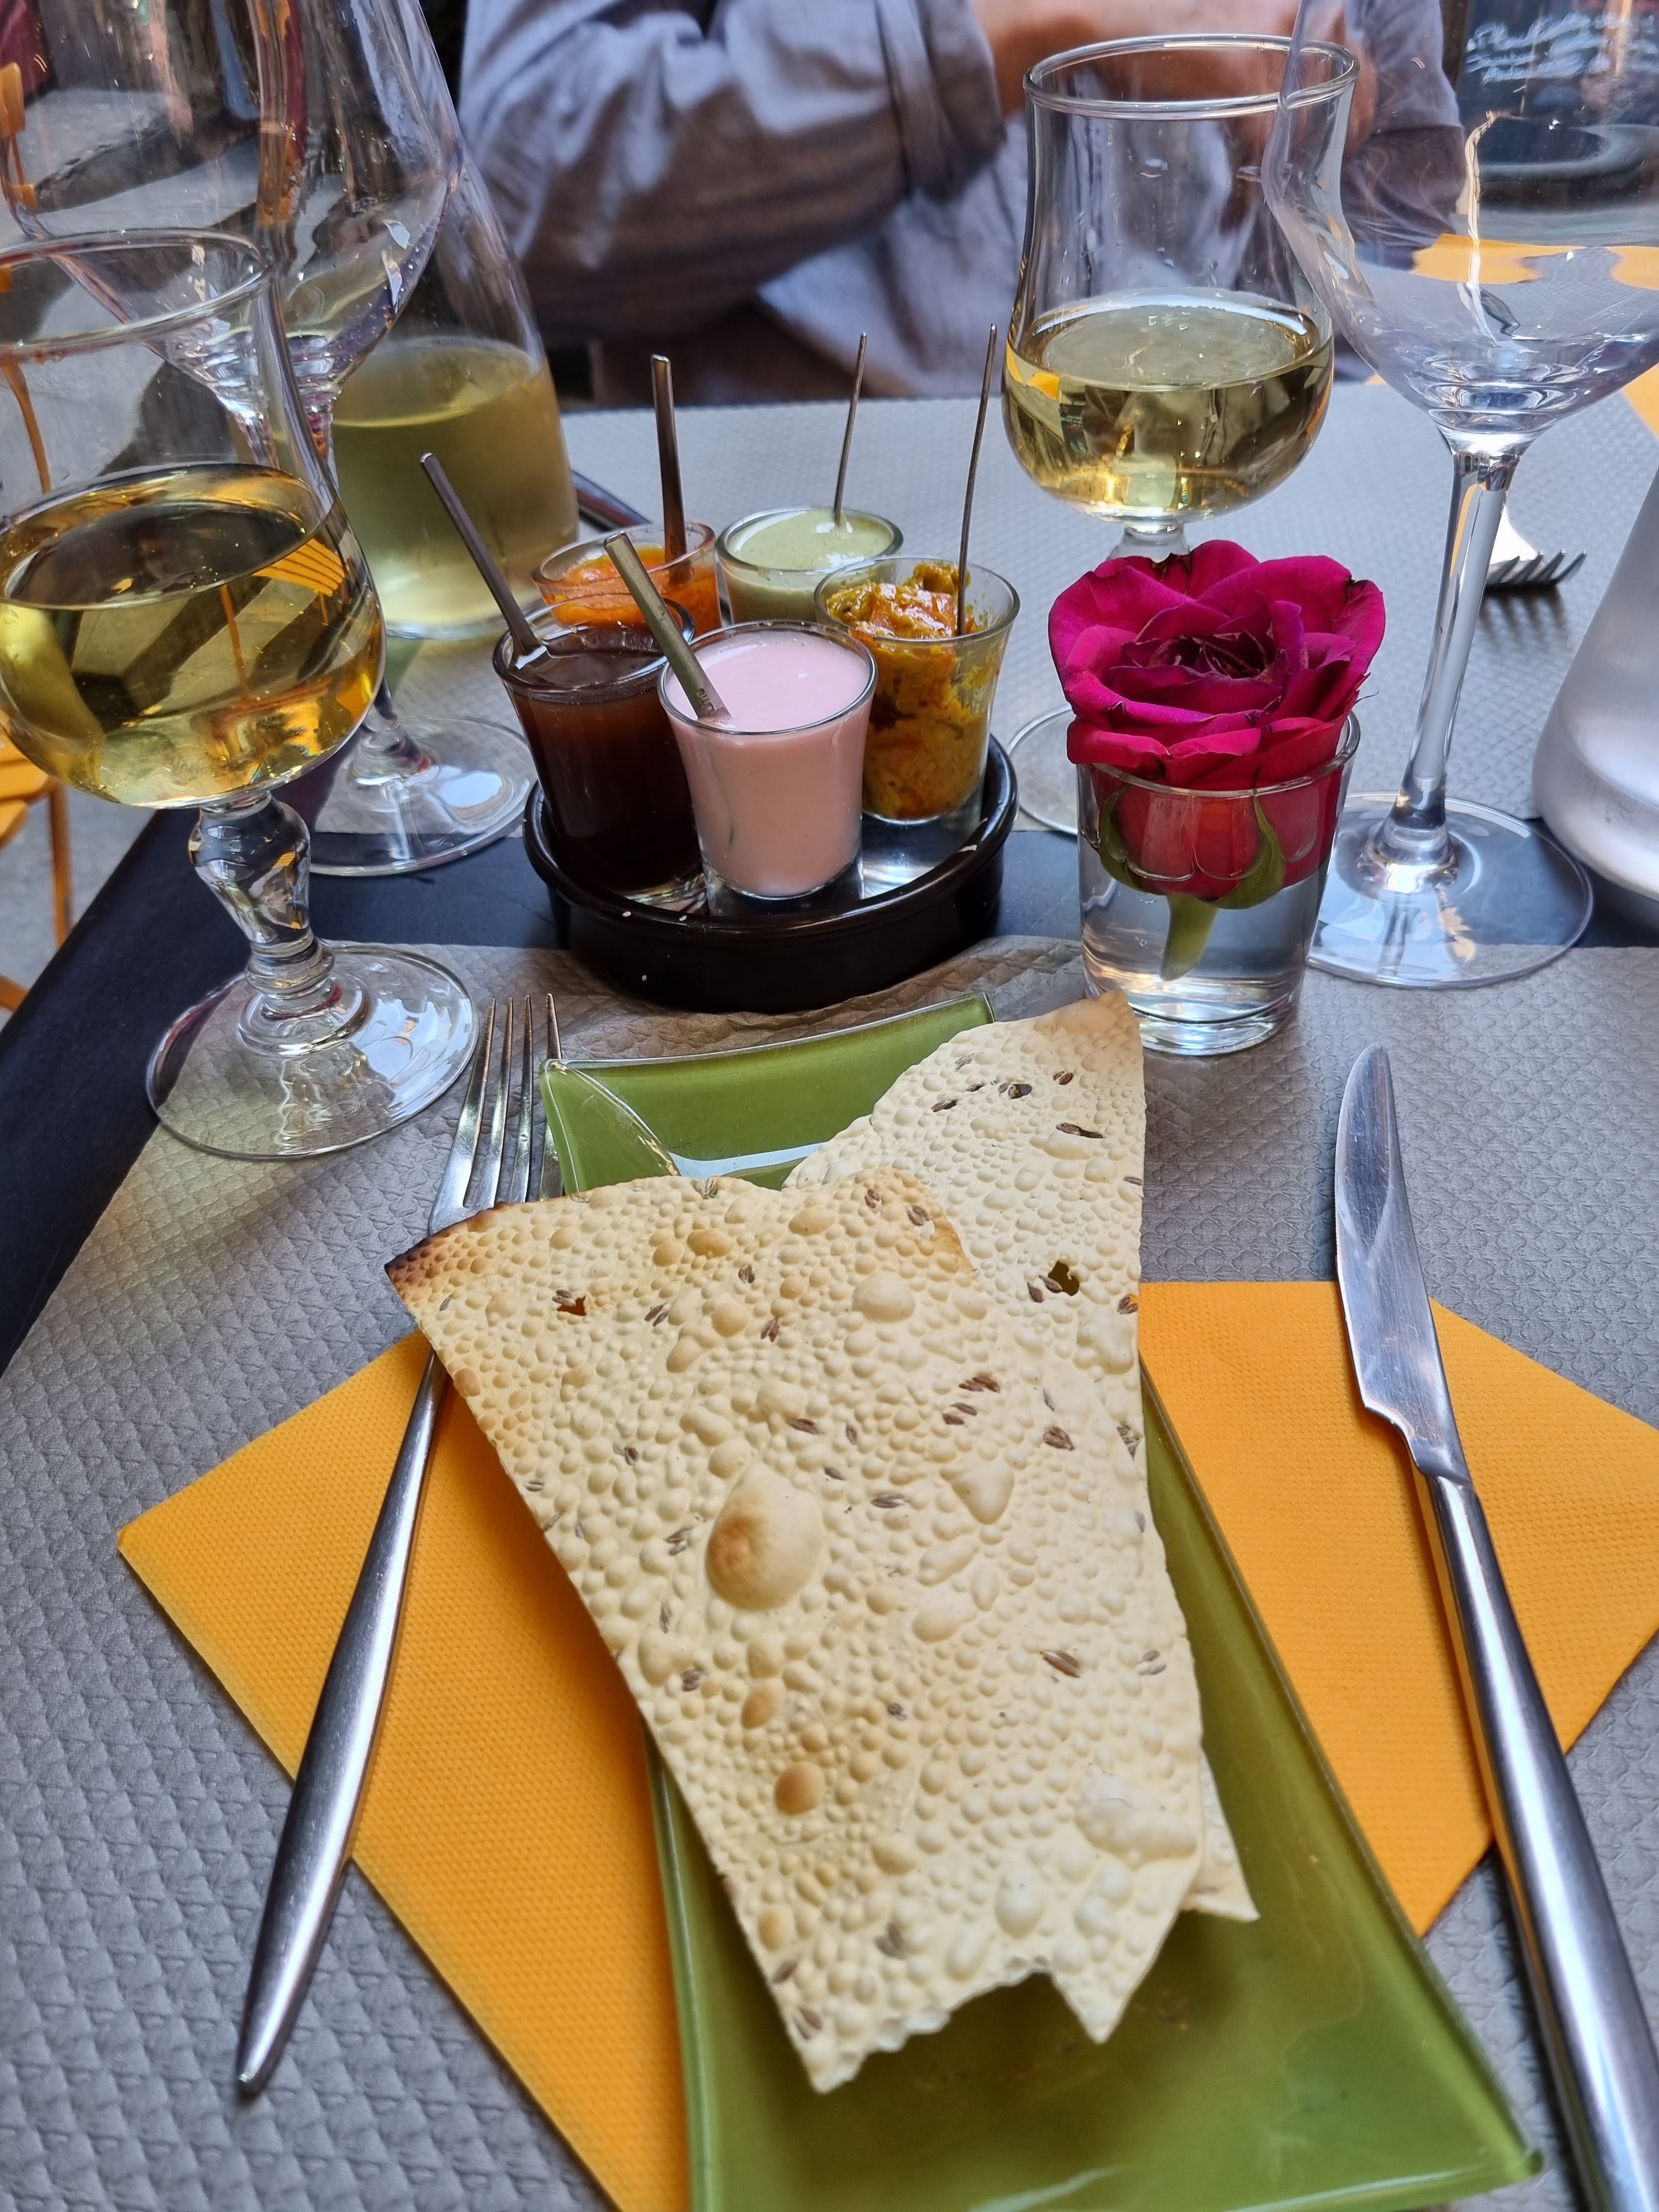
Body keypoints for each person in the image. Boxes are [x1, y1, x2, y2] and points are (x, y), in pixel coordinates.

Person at [458, 0, 1442, 404]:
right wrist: (1025, 23)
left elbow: (1394, 200)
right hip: (788, 564)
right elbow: (517, 206)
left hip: (1232, 513)